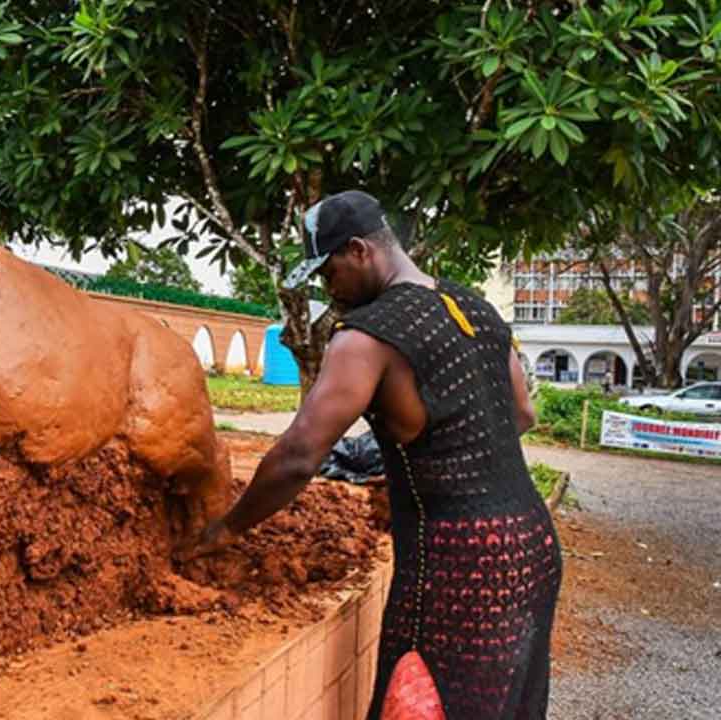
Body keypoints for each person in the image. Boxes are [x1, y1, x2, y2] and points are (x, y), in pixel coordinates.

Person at [177, 191, 563, 719]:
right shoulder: (474, 308)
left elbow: (299, 454)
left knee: (426, 699)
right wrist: (439, 470)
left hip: (460, 562)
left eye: (327, 272)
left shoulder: (367, 336)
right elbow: (521, 413)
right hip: (533, 542)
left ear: (358, 250)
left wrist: (228, 527)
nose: (327, 288)